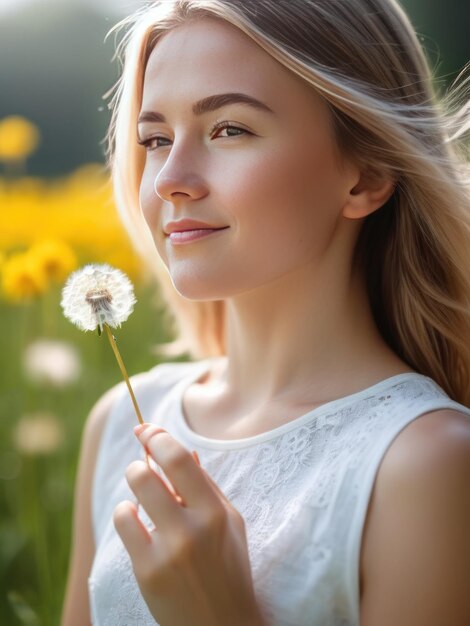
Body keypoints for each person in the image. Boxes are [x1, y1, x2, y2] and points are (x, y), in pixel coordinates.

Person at [62, 1, 470, 624]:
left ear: (366, 175)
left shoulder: (429, 466)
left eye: (230, 129)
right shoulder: (119, 422)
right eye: (155, 139)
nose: (171, 178)